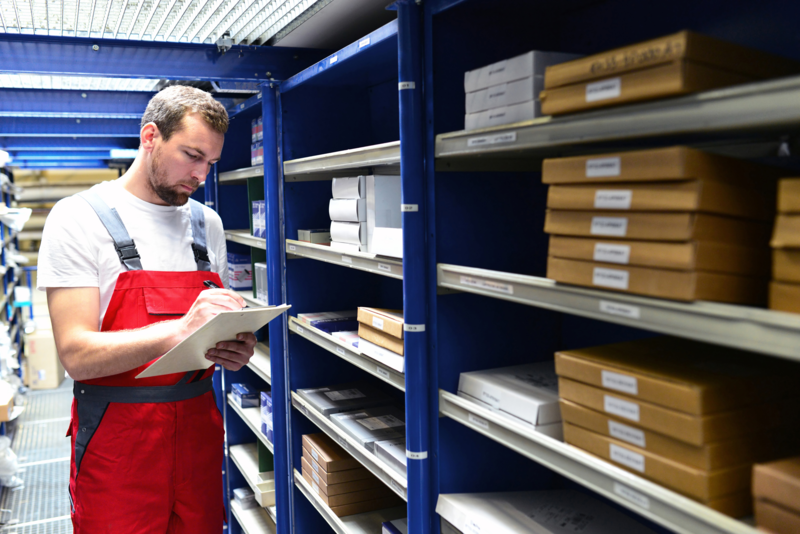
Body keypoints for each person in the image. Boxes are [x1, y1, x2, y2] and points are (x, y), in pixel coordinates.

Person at [37, 85, 257, 533]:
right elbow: (76, 355)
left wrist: (229, 346)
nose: (200, 175)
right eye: (191, 155)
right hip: (118, 443)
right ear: (150, 136)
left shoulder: (205, 223)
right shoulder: (78, 218)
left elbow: (205, 332)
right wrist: (180, 330)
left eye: (210, 163)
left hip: (197, 433)